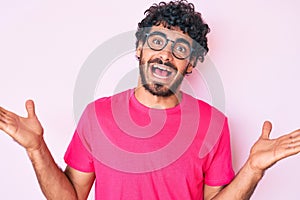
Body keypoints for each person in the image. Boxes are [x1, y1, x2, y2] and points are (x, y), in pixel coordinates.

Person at [0, 0, 299, 199]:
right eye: (157, 42)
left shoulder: (214, 124)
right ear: (140, 50)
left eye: (180, 49)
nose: (166, 55)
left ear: (191, 64)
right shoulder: (97, 115)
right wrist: (36, 148)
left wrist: (253, 170)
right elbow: (73, 197)